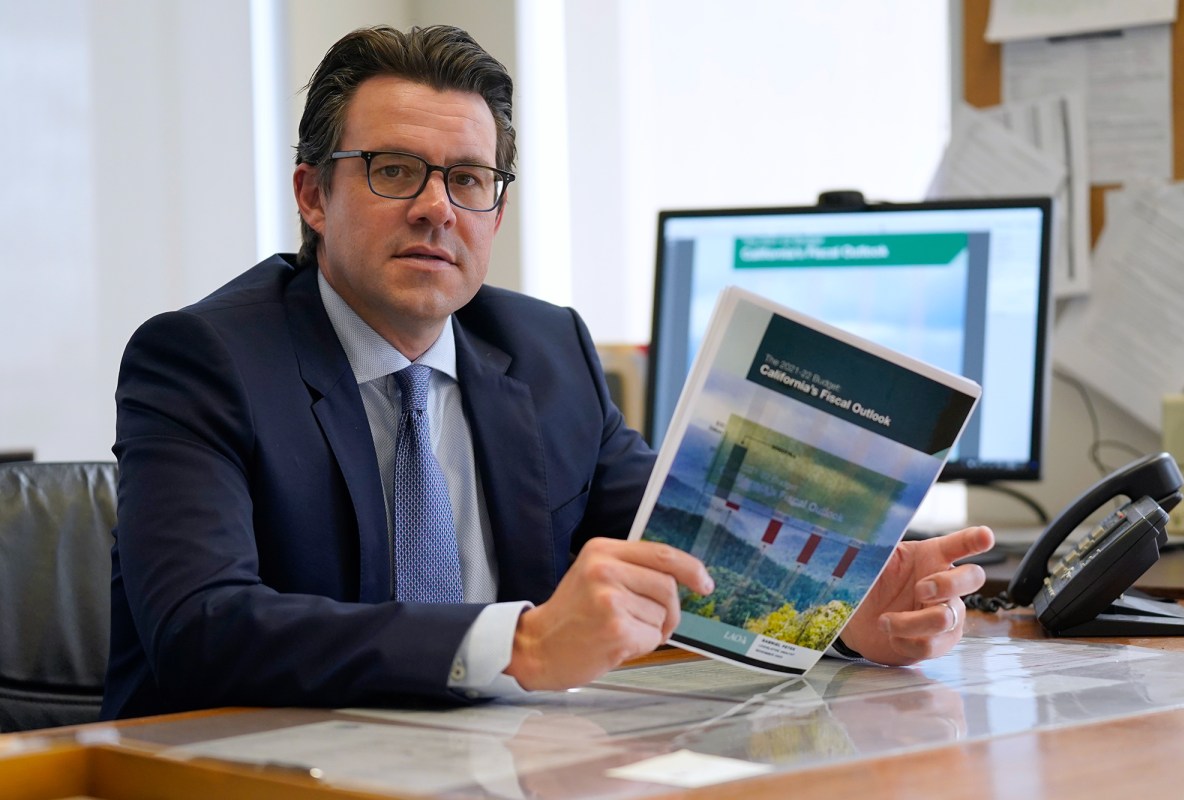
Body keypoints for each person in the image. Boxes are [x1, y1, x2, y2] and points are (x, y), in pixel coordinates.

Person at [101, 24, 994, 720]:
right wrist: (518, 644)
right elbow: (201, 630)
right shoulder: (203, 361)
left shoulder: (546, 351)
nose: (435, 209)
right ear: (312, 196)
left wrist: (845, 616)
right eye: (394, 171)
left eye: (469, 179)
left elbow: (685, 546)